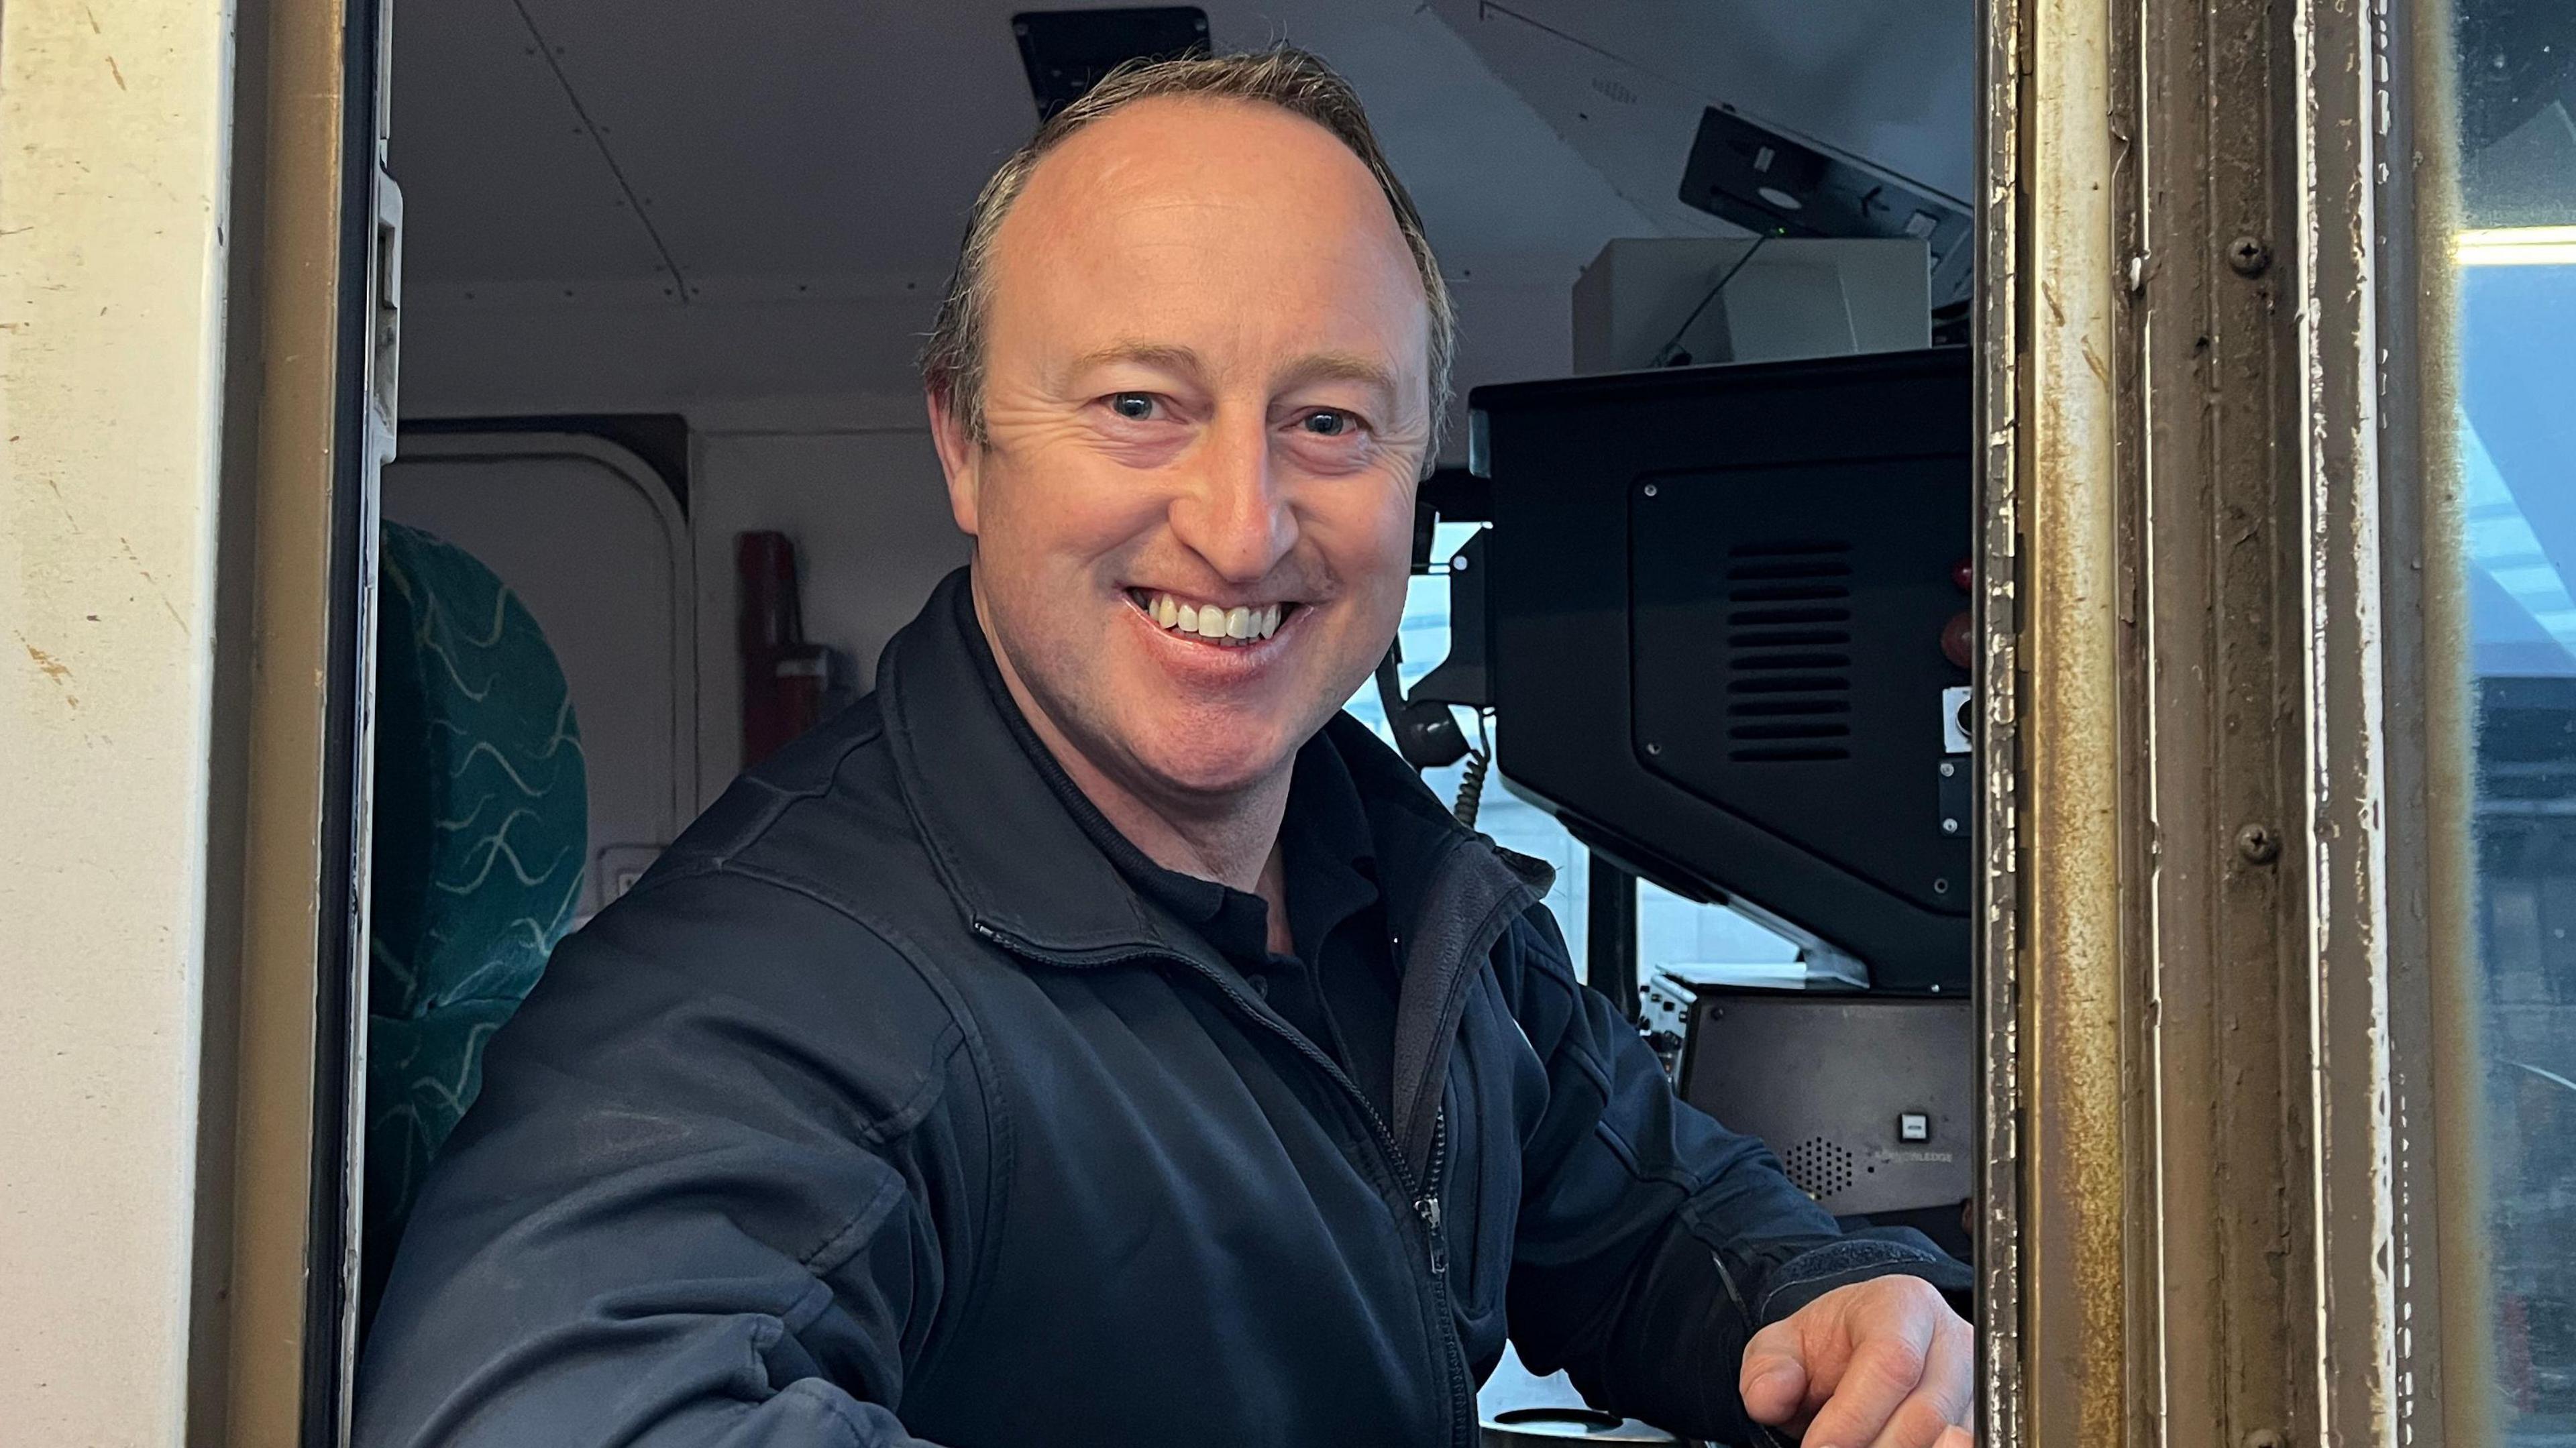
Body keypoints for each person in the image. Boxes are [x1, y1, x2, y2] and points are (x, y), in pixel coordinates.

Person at [356, 47, 1974, 1448]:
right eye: (1140, 405)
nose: (1241, 522)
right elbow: (542, 1412)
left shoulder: (1401, 884)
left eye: (1329, 421)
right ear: (966, 441)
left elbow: (1636, 1202)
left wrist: (1832, 1298)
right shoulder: (774, 984)